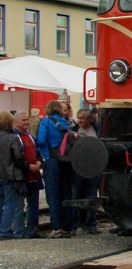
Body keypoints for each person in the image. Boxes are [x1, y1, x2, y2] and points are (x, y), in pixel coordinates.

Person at [36, 100, 75, 238]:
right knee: (66, 192)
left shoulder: (46, 122)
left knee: (53, 194)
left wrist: (42, 152)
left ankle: (57, 227)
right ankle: (68, 226)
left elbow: (40, 140)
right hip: (65, 160)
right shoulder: (65, 122)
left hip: (51, 159)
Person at [12, 112, 44, 238]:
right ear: (16, 122)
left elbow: (38, 152)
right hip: (21, 176)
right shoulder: (14, 137)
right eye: (23, 120)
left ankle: (32, 230)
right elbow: (15, 157)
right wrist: (28, 166)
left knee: (33, 204)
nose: (26, 122)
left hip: (34, 176)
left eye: (27, 120)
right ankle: (19, 232)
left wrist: (38, 161)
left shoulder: (30, 136)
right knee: (19, 205)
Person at [70, 109, 101, 234]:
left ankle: (91, 224)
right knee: (76, 195)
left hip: (94, 167)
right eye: (79, 117)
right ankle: (76, 223)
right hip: (78, 167)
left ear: (89, 119)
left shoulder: (97, 129)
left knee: (91, 195)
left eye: (82, 118)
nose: (80, 120)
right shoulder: (74, 129)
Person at [1, 110, 26, 240]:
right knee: (10, 204)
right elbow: (18, 157)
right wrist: (25, 166)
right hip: (10, 175)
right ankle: (4, 231)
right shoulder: (12, 138)